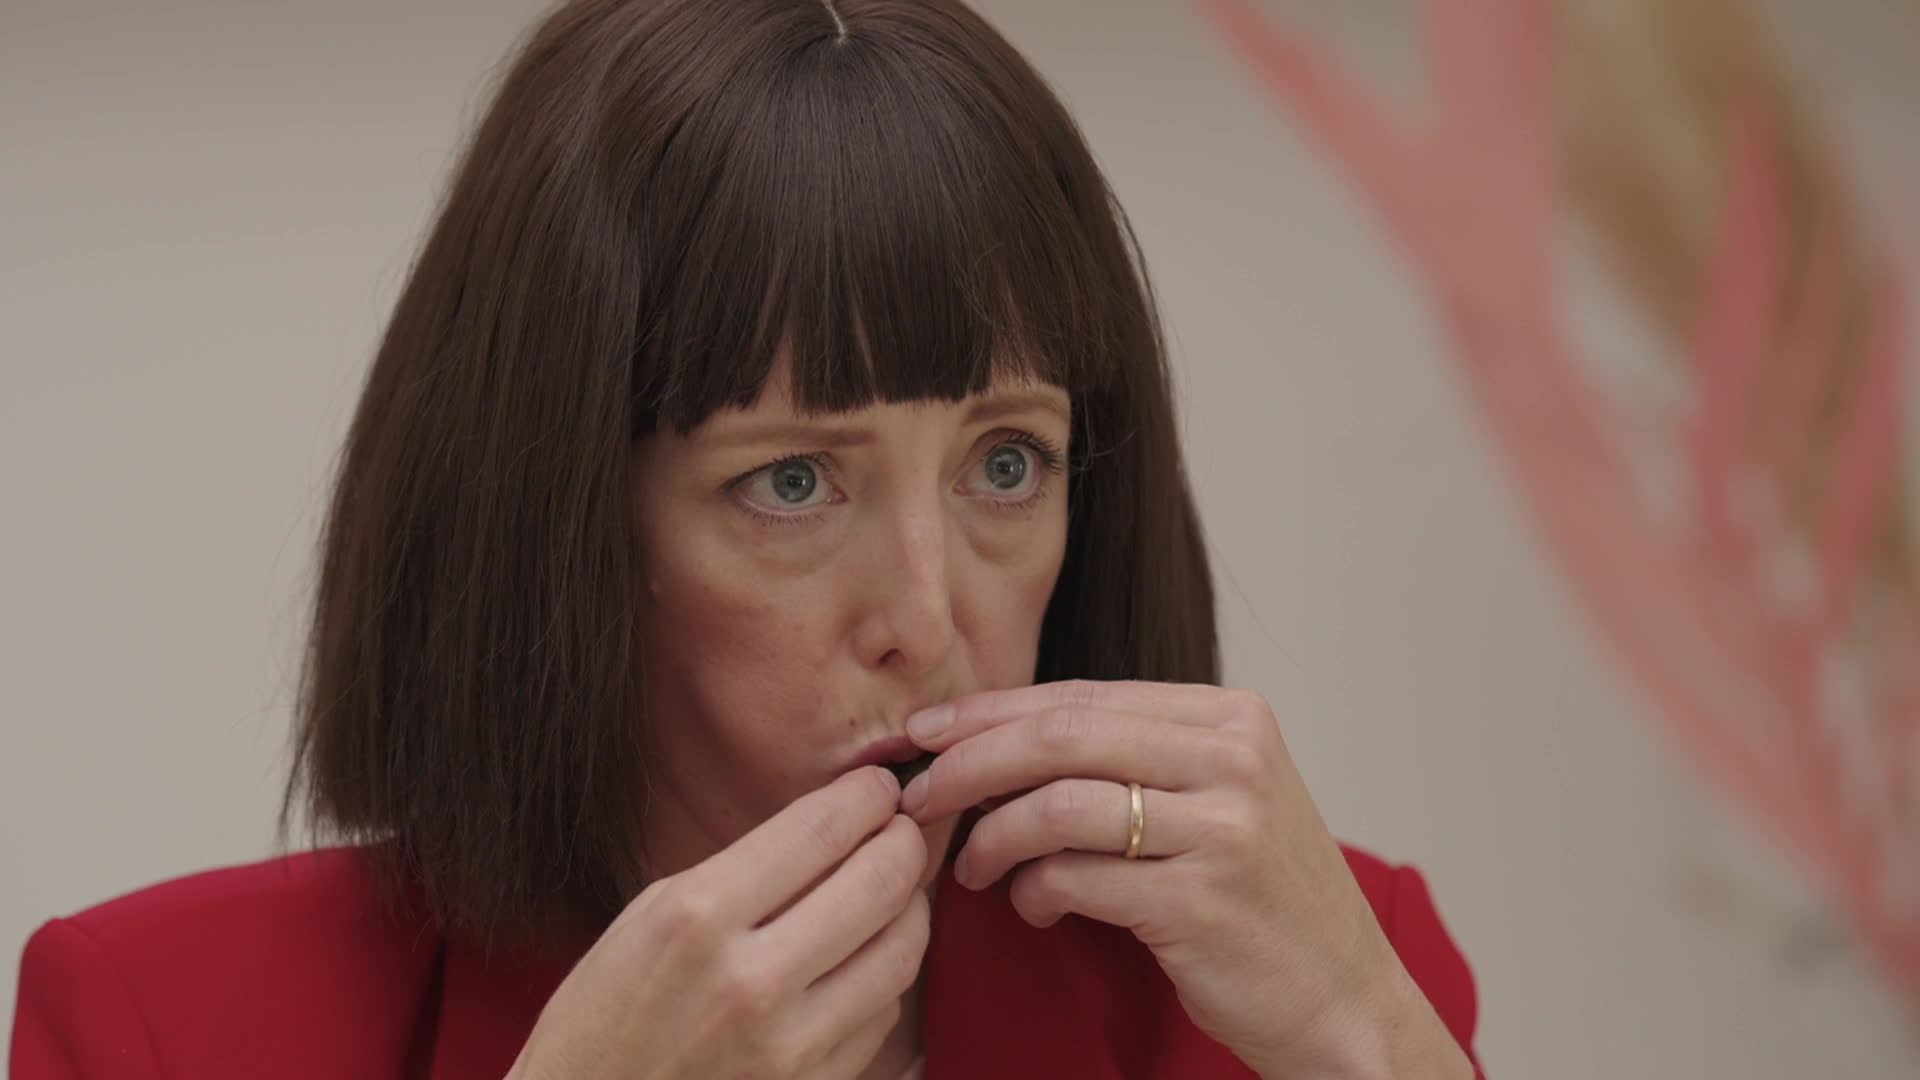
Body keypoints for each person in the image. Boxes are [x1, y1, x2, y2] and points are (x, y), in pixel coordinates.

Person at [10, 0, 1484, 1076]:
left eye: (1007, 463)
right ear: (560, 527)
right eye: (791, 482)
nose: (928, 618)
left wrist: (1371, 1041)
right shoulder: (156, 1022)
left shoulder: (1321, 970)